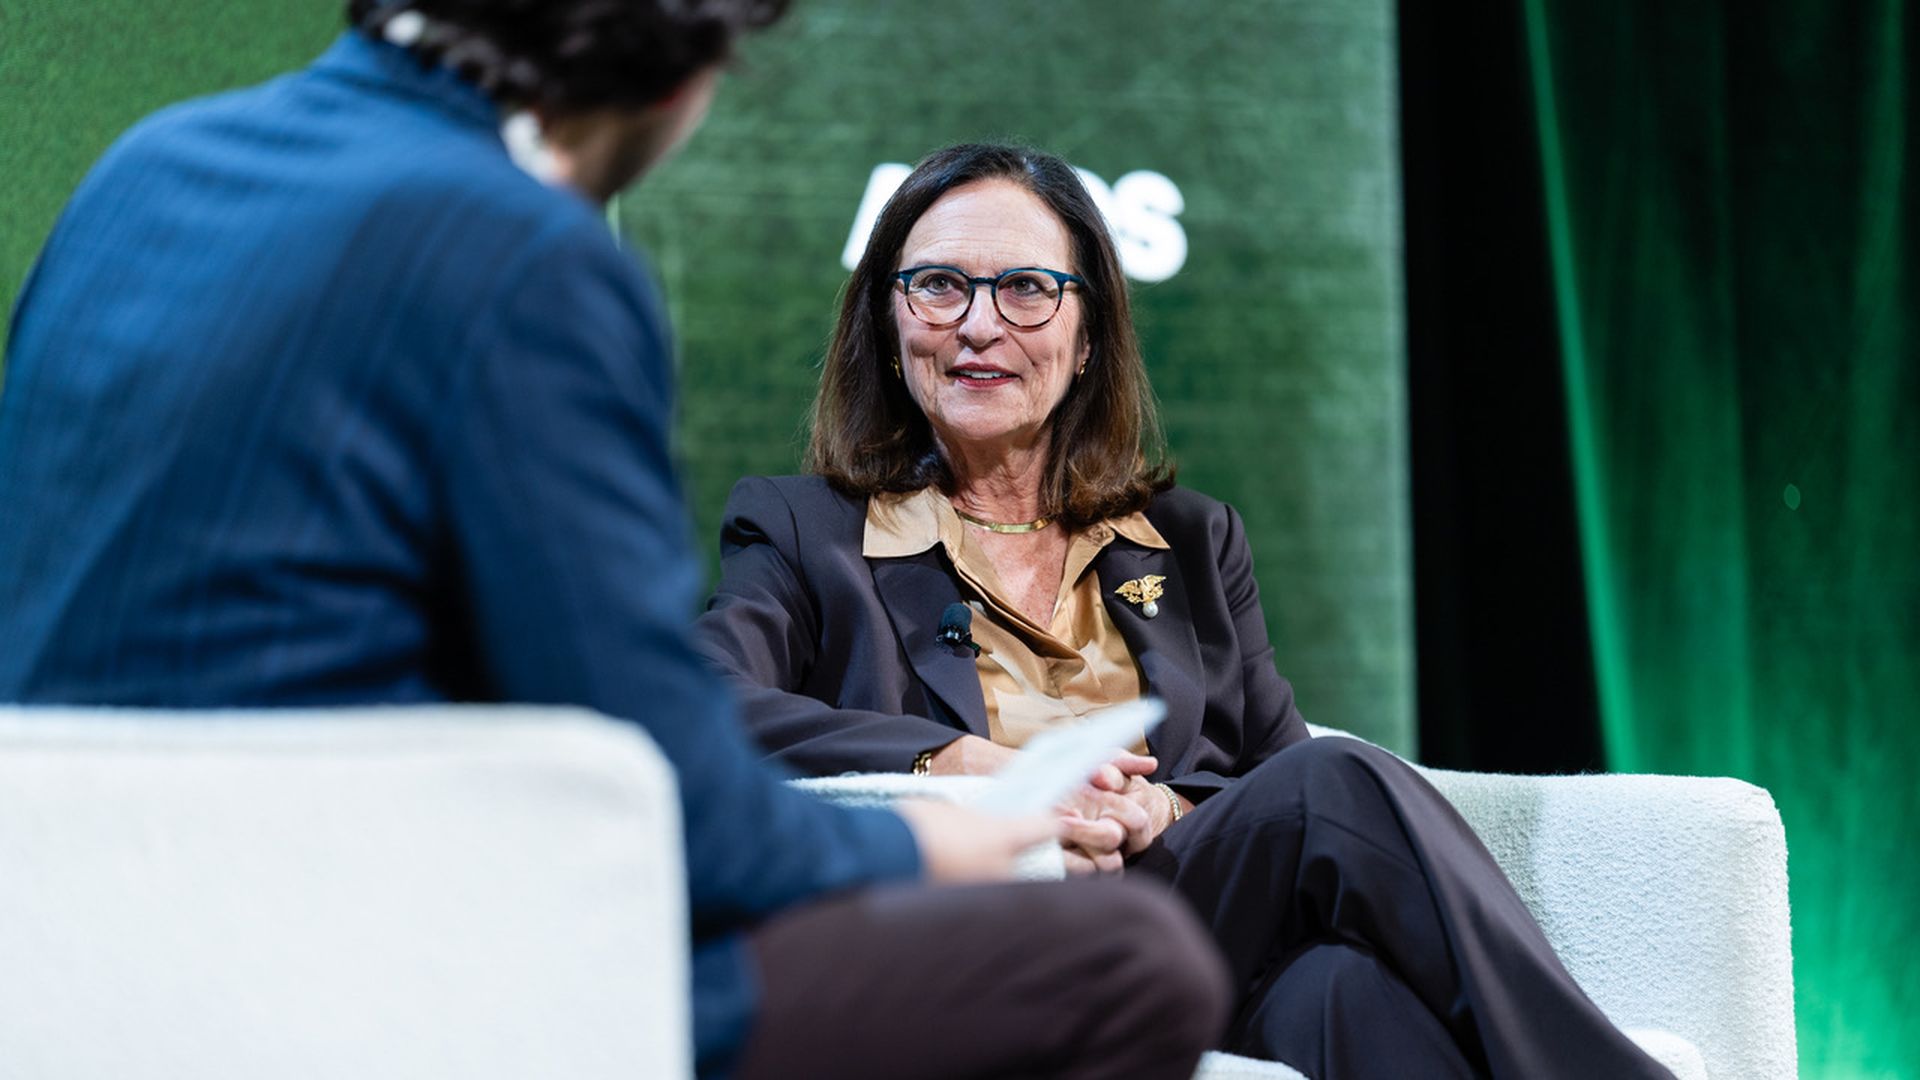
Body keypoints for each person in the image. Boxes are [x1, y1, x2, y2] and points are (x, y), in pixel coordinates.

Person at [0, 10, 1231, 1079]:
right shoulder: (529, 257)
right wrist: (944, 829)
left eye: (1025, 290)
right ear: (680, 68)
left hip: (83, 954)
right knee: (1127, 963)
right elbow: (676, 802)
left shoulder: (144, 173)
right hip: (378, 962)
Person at [694, 141, 1677, 1080]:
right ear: (889, 323)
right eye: (940, 285)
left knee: (1342, 987)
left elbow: (1271, 783)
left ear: (1088, 339)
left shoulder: (1191, 540)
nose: (980, 324)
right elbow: (702, 700)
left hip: (1184, 914)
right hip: (988, 926)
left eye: (1027, 289)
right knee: (1338, 811)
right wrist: (964, 764)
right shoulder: (806, 530)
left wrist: (1162, 807)